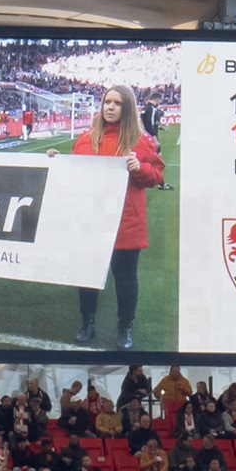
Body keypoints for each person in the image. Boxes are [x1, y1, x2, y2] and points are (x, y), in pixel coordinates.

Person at [68, 83, 164, 350]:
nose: (110, 107)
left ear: (128, 107)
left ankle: (125, 325)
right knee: (87, 276)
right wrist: (56, 162)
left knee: (125, 278)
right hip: (92, 221)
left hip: (125, 221)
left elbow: (157, 175)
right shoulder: (86, 139)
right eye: (107, 102)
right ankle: (87, 322)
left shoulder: (140, 140)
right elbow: (73, 173)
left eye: (117, 103)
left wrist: (140, 167)